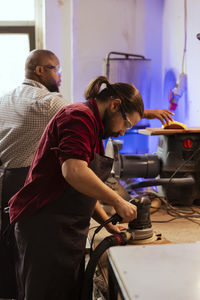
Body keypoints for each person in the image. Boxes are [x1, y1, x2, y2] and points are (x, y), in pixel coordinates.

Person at [8, 75, 174, 300]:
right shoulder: (78, 117)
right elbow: (74, 172)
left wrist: (106, 220)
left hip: (65, 228)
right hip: (44, 226)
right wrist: (117, 201)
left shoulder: (95, 126)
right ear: (115, 105)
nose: (124, 131)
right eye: (126, 124)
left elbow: (82, 186)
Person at [0, 49, 68, 300]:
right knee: (33, 257)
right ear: (40, 70)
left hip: (5, 183)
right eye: (56, 69)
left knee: (9, 253)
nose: (59, 76)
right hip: (31, 185)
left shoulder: (4, 99)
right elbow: (88, 121)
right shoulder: (50, 102)